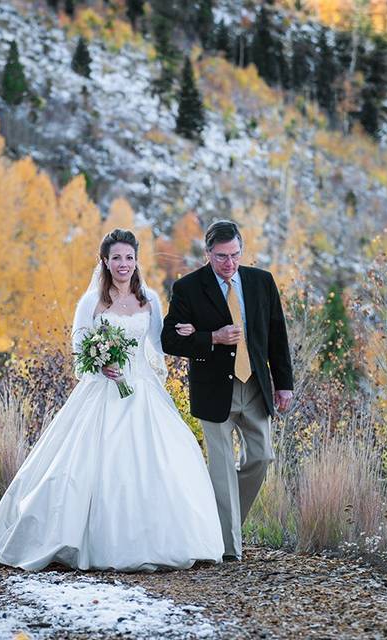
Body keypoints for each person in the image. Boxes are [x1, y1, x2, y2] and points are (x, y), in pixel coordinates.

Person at [0, 229, 223, 571]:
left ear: (136, 260)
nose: (123, 264)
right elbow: (80, 346)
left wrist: (187, 333)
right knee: (77, 470)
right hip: (103, 390)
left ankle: (171, 541)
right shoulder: (92, 302)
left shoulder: (150, 299)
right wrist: (102, 363)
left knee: (168, 461)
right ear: (105, 261)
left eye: (129, 257)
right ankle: (77, 540)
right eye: (116, 258)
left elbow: (159, 343)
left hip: (143, 390)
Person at [161, 220, 293, 561]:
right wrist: (212, 338)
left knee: (262, 456)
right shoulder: (187, 288)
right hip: (214, 390)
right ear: (207, 254)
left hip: (255, 386)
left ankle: (221, 522)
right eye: (221, 257)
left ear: (241, 251)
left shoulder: (261, 282)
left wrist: (284, 384)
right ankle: (227, 548)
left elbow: (277, 334)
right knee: (221, 469)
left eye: (234, 255)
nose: (229, 263)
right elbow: (169, 340)